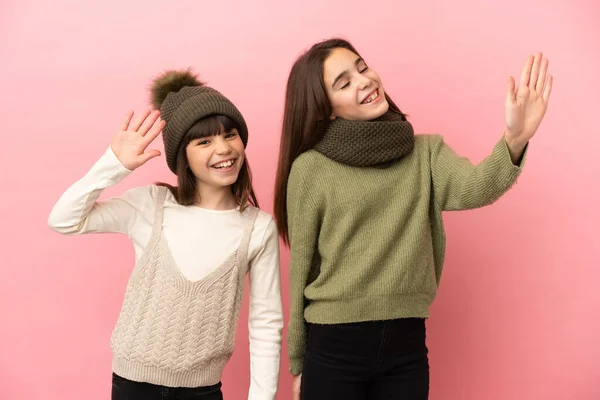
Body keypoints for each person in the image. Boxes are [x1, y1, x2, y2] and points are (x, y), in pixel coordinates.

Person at [273, 38, 552, 400]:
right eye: (344, 83)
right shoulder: (310, 169)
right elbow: (301, 269)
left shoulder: (426, 153)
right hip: (334, 346)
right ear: (325, 109)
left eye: (362, 68)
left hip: (406, 347)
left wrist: (516, 138)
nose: (364, 81)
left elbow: (477, 187)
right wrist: (298, 364)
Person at [48, 70, 284, 400]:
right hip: (131, 386)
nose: (224, 149)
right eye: (204, 141)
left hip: (201, 391)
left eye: (230, 135)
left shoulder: (257, 228)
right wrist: (114, 164)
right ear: (182, 155)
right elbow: (64, 219)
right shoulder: (151, 206)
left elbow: (265, 324)